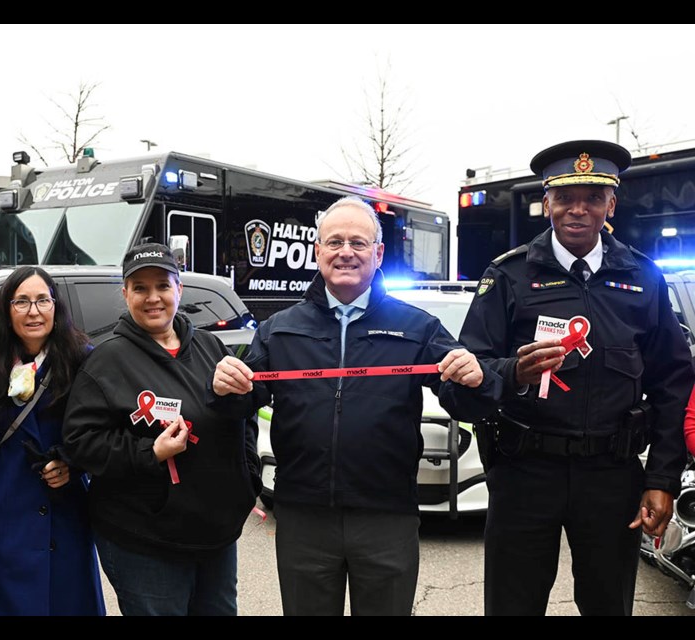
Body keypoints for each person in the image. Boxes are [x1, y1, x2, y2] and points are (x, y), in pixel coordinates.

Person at [211, 196, 502, 616]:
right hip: (303, 517)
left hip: (387, 515)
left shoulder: (417, 327)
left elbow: (466, 402)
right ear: (317, 251)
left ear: (378, 252)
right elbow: (240, 403)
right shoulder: (280, 329)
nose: (345, 251)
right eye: (334, 242)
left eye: (358, 243)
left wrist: (477, 378)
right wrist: (226, 387)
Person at [458, 140, 695, 616]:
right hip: (526, 472)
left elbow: (672, 380)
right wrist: (513, 374)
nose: (577, 209)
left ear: (612, 201)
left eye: (592, 196)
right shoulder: (508, 276)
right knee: (512, 606)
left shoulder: (642, 278)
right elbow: (469, 375)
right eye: (565, 197)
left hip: (611, 475)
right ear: (546, 202)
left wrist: (663, 478)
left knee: (608, 606)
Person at [62, 243, 261, 616]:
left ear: (179, 289)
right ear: (125, 294)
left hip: (216, 537)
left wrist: (246, 476)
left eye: (162, 286)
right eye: (140, 288)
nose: (153, 298)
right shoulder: (106, 361)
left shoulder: (211, 347)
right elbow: (80, 443)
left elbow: (244, 417)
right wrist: (149, 453)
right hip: (145, 542)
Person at [0, 266, 106, 616]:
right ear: (5, 309)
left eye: (42, 300)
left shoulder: (81, 360)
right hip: (6, 512)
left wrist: (73, 465)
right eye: (22, 302)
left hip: (67, 515)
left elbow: (99, 432)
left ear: (55, 307)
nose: (34, 311)